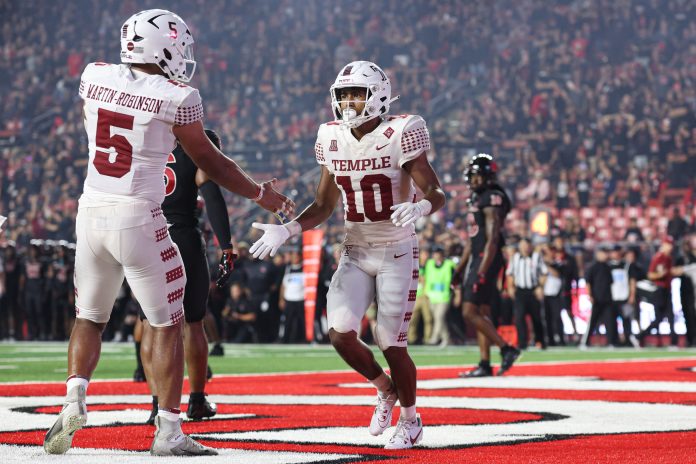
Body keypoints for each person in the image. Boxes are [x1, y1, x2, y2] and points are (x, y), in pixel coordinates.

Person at [43, 9, 294, 457]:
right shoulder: (176, 95)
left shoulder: (94, 74)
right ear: (165, 47)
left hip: (91, 210)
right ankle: (169, 430)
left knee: (89, 317)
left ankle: (74, 399)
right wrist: (262, 195)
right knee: (168, 323)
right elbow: (211, 163)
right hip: (140, 215)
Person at [249, 61, 445, 449]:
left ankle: (410, 420)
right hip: (355, 249)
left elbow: (435, 191)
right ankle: (384, 389)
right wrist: (287, 229)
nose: (349, 101)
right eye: (343, 94)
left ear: (379, 96)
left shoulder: (401, 131)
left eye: (357, 93)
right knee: (339, 334)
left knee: (391, 341)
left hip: (396, 249)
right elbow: (323, 205)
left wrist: (422, 207)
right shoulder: (331, 137)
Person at [136, 128, 236, 425]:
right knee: (194, 323)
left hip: (145, 237)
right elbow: (212, 196)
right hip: (183, 237)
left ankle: (156, 404)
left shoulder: (144, 145)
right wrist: (227, 244)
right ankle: (196, 400)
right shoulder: (198, 146)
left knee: (151, 325)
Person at [453, 154, 520, 378]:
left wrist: (482, 270)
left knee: (469, 311)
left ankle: (506, 348)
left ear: (488, 176)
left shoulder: (492, 198)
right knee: (481, 312)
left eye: (477, 175)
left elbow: (492, 239)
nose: (473, 180)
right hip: (479, 257)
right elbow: (472, 241)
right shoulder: (477, 198)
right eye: (471, 175)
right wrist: (459, 270)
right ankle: (484, 363)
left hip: (486, 259)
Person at [507, 237, 545, 350]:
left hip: (533, 290)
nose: (525, 248)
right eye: (522, 245)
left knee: (536, 317)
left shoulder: (536, 257)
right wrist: (510, 287)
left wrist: (540, 287)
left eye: (527, 245)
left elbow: (544, 273)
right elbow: (510, 273)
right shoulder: (515, 258)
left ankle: (540, 341)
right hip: (520, 290)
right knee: (519, 317)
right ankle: (523, 342)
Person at [639, 237, 678, 347]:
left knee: (670, 317)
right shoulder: (658, 258)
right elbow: (650, 275)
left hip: (667, 290)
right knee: (659, 318)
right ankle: (641, 336)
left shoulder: (668, 258)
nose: (671, 247)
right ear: (664, 245)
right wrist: (661, 274)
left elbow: (669, 272)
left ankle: (673, 342)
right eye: (668, 244)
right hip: (659, 291)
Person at [581, 246, 615, 348]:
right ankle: (585, 342)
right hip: (597, 298)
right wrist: (590, 295)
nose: (606, 255)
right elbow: (588, 282)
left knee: (609, 322)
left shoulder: (608, 267)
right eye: (604, 253)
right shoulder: (593, 267)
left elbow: (610, 283)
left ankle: (610, 342)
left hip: (607, 298)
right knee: (593, 322)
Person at [423, 245, 455, 346]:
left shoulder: (449, 265)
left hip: (444, 296)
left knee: (439, 316)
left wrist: (457, 293)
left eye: (437, 253)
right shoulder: (429, 264)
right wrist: (425, 292)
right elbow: (426, 278)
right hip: (431, 296)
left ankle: (434, 338)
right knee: (439, 319)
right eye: (434, 254)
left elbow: (455, 279)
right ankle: (446, 339)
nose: (435, 255)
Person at [279, 247, 306, 343]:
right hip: (289, 300)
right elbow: (283, 285)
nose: (295, 258)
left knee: (303, 322)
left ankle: (304, 339)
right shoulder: (288, 269)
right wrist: (281, 299)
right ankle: (285, 339)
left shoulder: (305, 268)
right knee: (287, 321)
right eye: (293, 256)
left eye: (297, 256)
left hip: (301, 299)